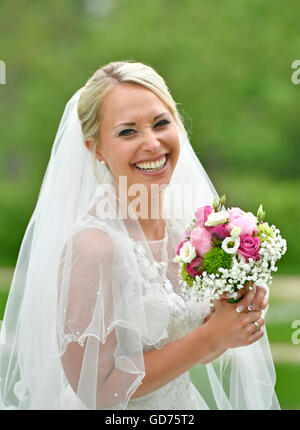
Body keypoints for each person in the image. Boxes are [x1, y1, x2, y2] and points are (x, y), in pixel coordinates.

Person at [0, 60, 279, 410]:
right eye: (127, 132)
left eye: (161, 123)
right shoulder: (93, 247)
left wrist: (229, 320)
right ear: (96, 149)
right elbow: (97, 393)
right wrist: (209, 338)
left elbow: (192, 348)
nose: (152, 143)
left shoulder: (190, 232)